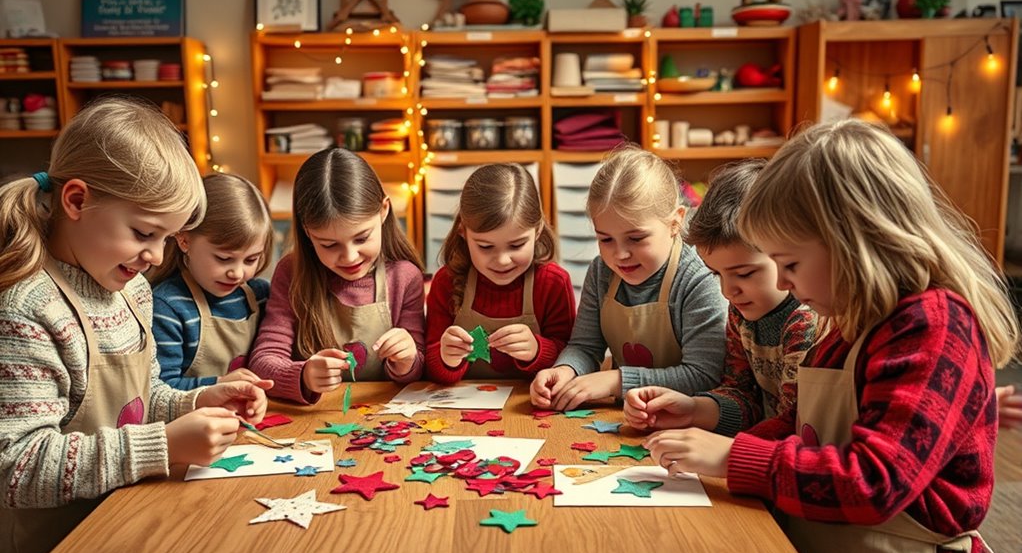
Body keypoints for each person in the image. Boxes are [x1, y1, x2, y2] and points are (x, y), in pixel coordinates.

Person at [645, 120, 1018, 553]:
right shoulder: (849, 325)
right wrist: (703, 442)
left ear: (851, 243)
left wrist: (733, 457)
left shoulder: (934, 327)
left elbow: (876, 483)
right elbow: (803, 424)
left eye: (791, 263)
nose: (782, 280)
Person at [0, 98, 270, 553]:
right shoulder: (27, 311)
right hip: (54, 547)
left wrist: (197, 401)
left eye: (167, 238)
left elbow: (139, 400)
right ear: (78, 201)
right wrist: (163, 445)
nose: (158, 257)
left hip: (123, 525)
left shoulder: (133, 292)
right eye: (145, 233)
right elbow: (17, 469)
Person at [624, 160, 822, 438]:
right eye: (717, 274)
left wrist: (725, 453)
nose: (728, 291)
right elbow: (742, 395)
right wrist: (693, 409)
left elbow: (792, 424)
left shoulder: (805, 321)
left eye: (744, 274)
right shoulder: (740, 313)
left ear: (786, 253)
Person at [530, 145, 727, 411]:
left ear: (675, 222)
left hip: (687, 423)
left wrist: (617, 380)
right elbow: (586, 347)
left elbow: (703, 375)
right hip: (628, 415)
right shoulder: (601, 273)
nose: (620, 254)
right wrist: (566, 370)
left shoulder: (697, 281)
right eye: (605, 239)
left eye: (636, 238)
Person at [249, 148, 425, 403]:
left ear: (383, 211)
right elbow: (264, 361)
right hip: (314, 419)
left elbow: (419, 369)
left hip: (384, 416)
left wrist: (407, 359)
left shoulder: (405, 277)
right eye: (330, 245)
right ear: (307, 231)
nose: (350, 257)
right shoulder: (291, 273)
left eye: (362, 238)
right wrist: (303, 376)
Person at [426, 163, 575, 381]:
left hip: (528, 408)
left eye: (516, 245)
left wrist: (537, 350)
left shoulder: (553, 283)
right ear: (463, 234)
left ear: (537, 231)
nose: (502, 260)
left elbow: (573, 358)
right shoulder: (446, 281)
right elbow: (428, 366)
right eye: (485, 247)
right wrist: (445, 357)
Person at [149, 173, 273, 389]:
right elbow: (161, 390)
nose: (237, 272)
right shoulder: (168, 307)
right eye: (224, 259)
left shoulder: (261, 294)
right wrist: (219, 385)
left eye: (251, 259)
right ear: (184, 240)